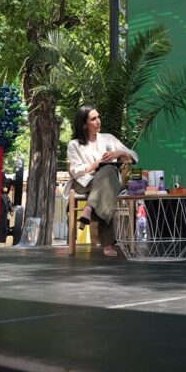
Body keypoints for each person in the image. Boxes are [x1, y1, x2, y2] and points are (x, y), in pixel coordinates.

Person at [66, 106, 138, 258]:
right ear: (84, 124)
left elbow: (133, 156)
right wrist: (96, 164)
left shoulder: (109, 138)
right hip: (84, 182)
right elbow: (75, 171)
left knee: (108, 173)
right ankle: (108, 244)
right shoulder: (74, 145)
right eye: (93, 119)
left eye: (98, 117)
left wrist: (121, 153)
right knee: (107, 175)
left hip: (105, 183)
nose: (98, 121)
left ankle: (89, 208)